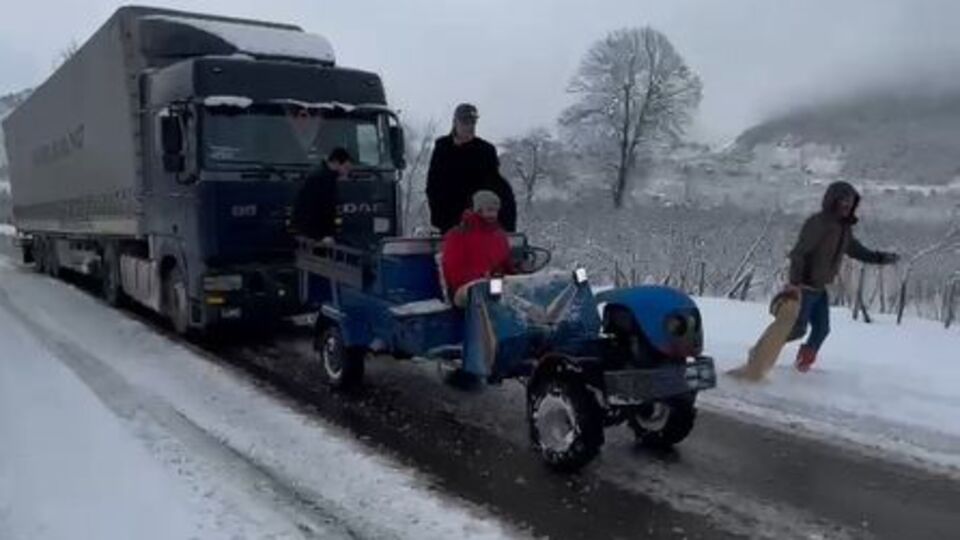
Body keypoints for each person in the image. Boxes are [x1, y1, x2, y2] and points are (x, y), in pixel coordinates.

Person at [787, 180, 899, 372]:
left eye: (850, 203)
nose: (847, 206)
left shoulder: (843, 229)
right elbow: (799, 253)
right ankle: (762, 353)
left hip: (820, 289)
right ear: (833, 201)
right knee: (796, 329)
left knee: (822, 329)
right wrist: (795, 282)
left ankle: (801, 368)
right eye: (843, 202)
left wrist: (880, 258)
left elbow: (857, 251)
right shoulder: (818, 223)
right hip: (804, 287)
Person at [426, 103, 517, 234]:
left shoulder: (485, 150)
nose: (469, 127)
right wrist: (442, 222)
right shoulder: (443, 147)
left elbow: (494, 185)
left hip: (480, 217)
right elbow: (433, 186)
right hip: (450, 219)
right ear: (455, 122)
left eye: (472, 123)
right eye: (465, 122)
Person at [440, 190, 514, 306]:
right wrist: (481, 276)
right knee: (482, 290)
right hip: (464, 288)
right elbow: (453, 270)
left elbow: (505, 264)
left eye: (495, 211)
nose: (493, 214)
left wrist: (516, 269)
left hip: (494, 285)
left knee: (514, 291)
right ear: (478, 210)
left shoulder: (500, 235)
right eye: (489, 210)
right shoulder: (458, 235)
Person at [292, 147, 353, 242]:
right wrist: (324, 235)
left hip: (312, 232)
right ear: (336, 163)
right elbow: (321, 209)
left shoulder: (325, 176)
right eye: (346, 168)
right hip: (314, 234)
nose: (347, 172)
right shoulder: (321, 179)